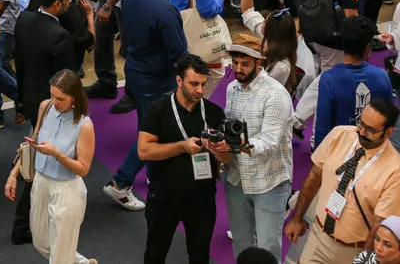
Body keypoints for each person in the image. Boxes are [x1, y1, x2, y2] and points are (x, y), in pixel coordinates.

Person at [103, 0, 187, 212]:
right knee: (152, 135)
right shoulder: (166, 10)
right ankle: (120, 182)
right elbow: (179, 55)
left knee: (146, 125)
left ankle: (154, 174)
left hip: (136, 72)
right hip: (158, 80)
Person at [138, 54, 227, 264]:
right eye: (194, 84)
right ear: (179, 80)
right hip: (163, 198)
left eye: (203, 84)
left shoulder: (214, 112)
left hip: (202, 199)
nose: (200, 90)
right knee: (155, 255)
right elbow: (144, 151)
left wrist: (217, 149)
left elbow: (227, 160)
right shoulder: (158, 109)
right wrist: (181, 147)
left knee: (199, 257)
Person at [286, 100, 400, 263]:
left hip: (354, 250)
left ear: (388, 132)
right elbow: (314, 177)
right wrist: (297, 218)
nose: (361, 132)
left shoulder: (395, 170)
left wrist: (365, 260)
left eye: (370, 130)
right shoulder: (340, 134)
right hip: (319, 236)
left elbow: (378, 224)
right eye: (361, 124)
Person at [4, 70, 98, 264]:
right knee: (40, 242)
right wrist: (13, 174)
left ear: (74, 98)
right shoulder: (46, 107)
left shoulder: (84, 125)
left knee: (59, 257)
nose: (55, 101)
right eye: (52, 95)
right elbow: (33, 143)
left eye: (61, 98)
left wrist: (57, 154)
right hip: (40, 182)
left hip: (67, 190)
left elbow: (83, 168)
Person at [224, 36, 294, 259]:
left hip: (269, 182)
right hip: (236, 178)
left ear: (258, 62)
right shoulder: (232, 89)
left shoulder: (276, 95)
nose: (238, 69)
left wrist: (235, 144)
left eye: (245, 64)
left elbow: (269, 143)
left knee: (268, 250)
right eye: (235, 63)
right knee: (241, 244)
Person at [314, 16, 393, 149]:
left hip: (340, 151)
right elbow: (389, 121)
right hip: (372, 151)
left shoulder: (329, 79)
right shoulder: (382, 76)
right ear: (368, 47)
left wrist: (319, 160)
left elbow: (323, 128)